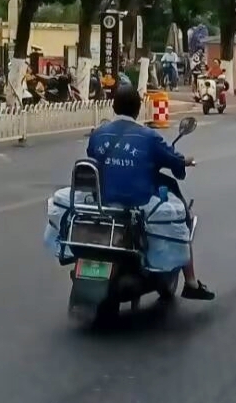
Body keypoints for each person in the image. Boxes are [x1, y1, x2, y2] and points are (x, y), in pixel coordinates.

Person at [86, 84, 214, 300]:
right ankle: (191, 282)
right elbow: (174, 160)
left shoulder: (98, 134)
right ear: (138, 109)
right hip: (138, 201)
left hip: (105, 200)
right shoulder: (148, 136)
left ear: (114, 106)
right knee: (181, 214)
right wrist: (186, 161)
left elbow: (93, 156)